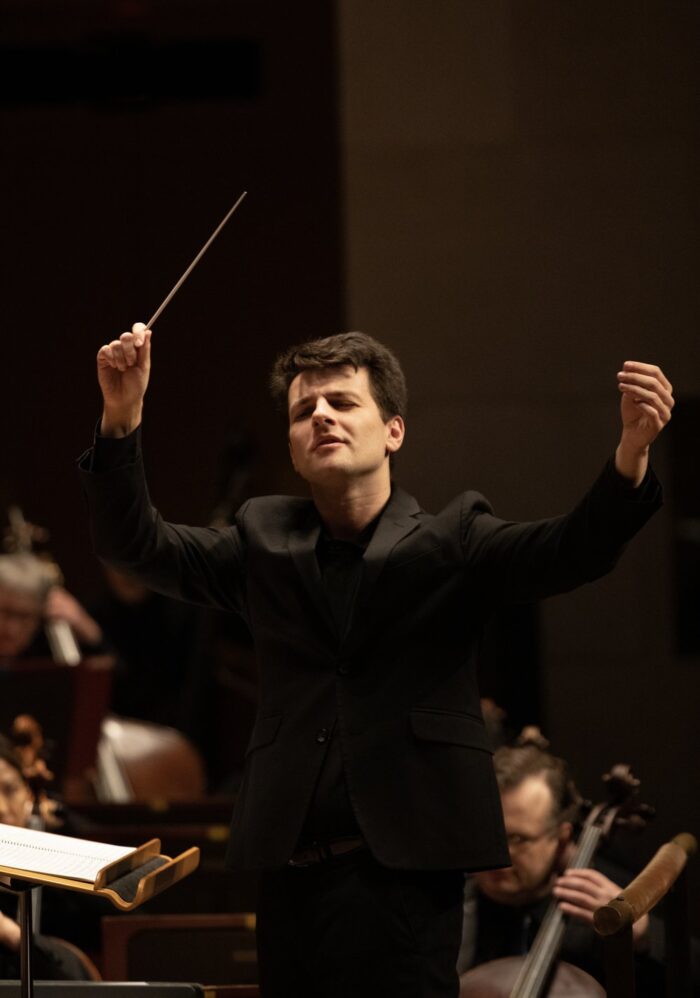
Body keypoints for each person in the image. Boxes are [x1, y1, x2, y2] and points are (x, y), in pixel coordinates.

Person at [79, 322, 672, 998]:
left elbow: (573, 549)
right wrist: (121, 417)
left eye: (341, 402)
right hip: (290, 870)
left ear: (393, 430)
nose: (321, 416)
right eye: (304, 410)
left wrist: (630, 454)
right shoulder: (261, 542)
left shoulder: (454, 540)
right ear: (295, 450)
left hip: (407, 877)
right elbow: (135, 546)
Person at [456, 741, 694, 995]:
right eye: (486, 834)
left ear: (561, 838)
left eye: (518, 839)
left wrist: (644, 936)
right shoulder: (446, 907)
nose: (498, 853)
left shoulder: (596, 907)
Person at [0, 736, 94, 980]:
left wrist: (11, 934)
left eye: (10, 789)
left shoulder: (59, 882)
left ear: (28, 793)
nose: (1, 807)